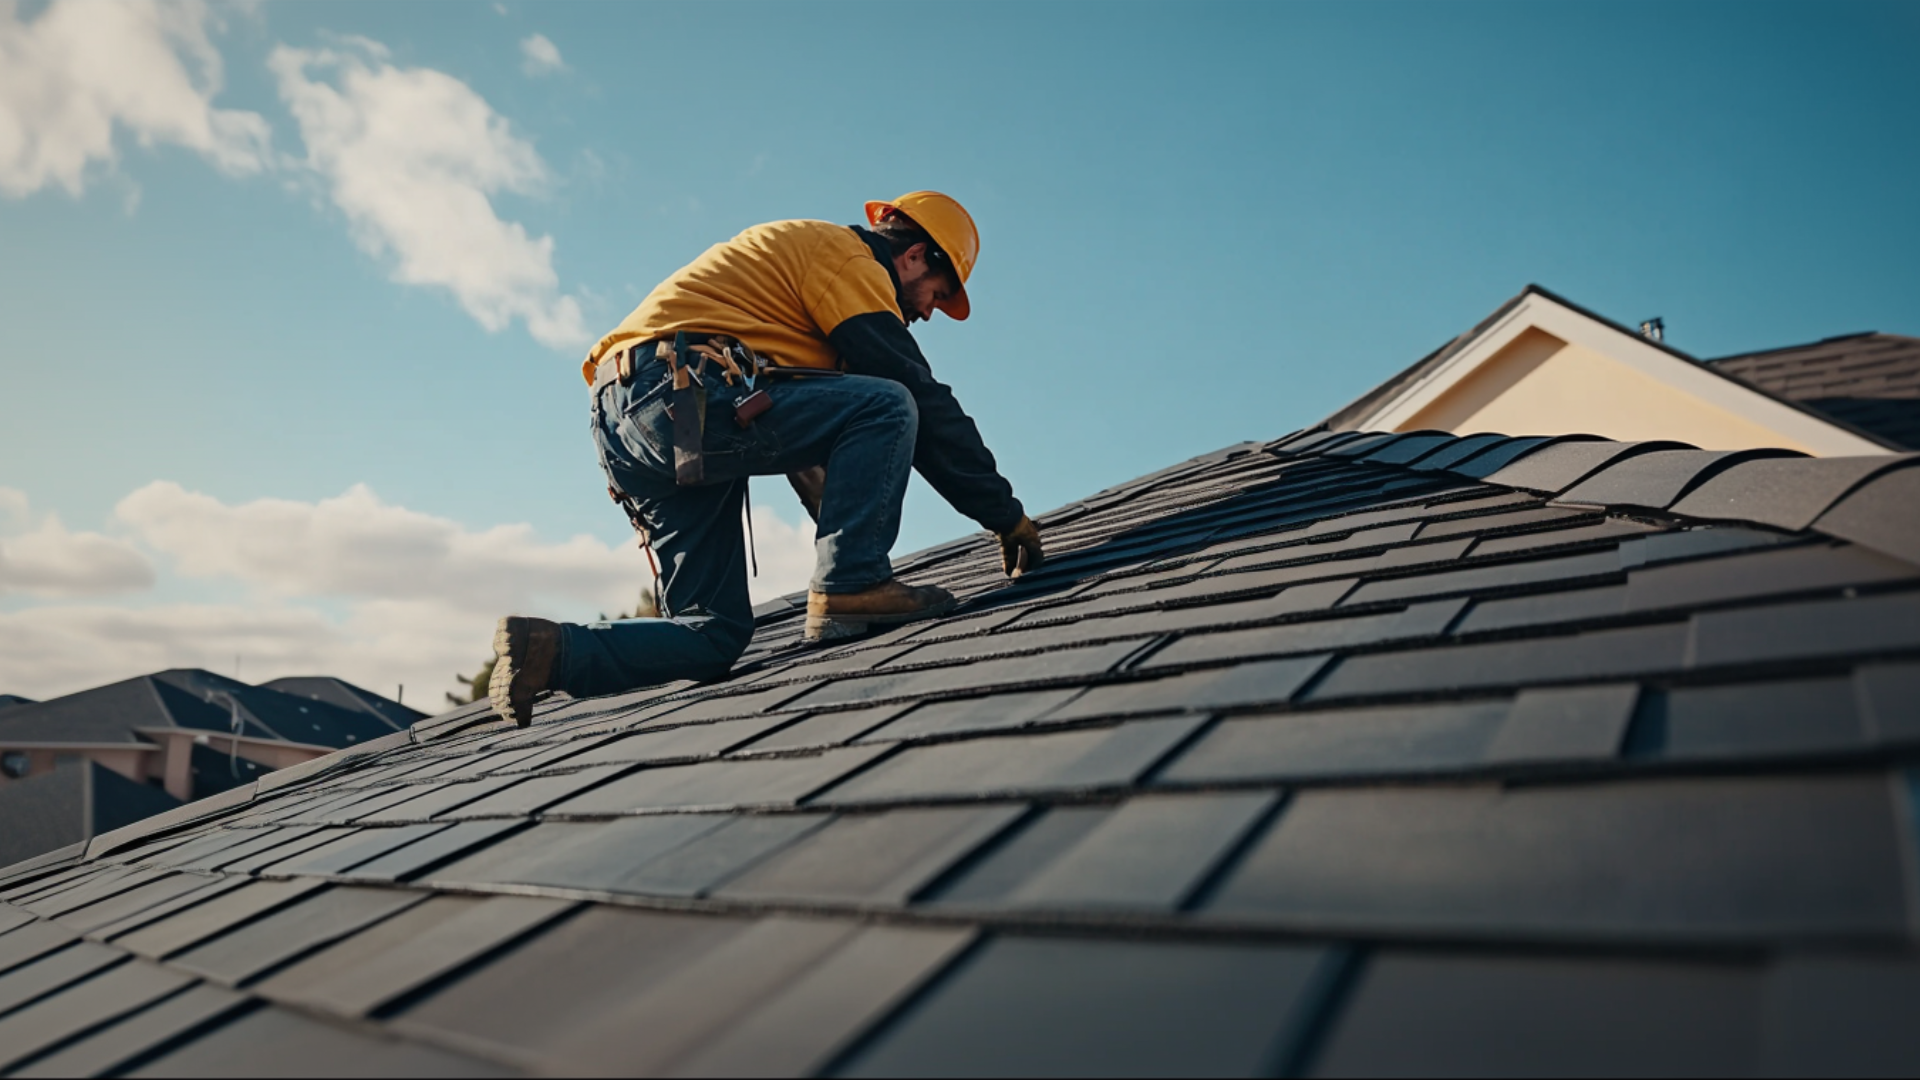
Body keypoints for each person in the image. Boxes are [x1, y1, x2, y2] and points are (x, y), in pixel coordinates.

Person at [487, 192, 1044, 725]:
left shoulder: (790, 295)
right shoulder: (849, 259)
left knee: (713, 634)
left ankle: (547, 651)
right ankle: (854, 584)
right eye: (938, 293)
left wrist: (844, 524)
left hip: (630, 418)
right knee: (891, 401)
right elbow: (916, 397)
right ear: (916, 254)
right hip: (677, 392)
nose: (929, 312)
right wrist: (1003, 514)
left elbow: (812, 448)